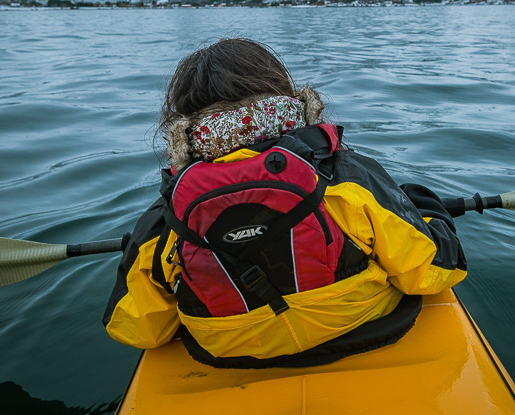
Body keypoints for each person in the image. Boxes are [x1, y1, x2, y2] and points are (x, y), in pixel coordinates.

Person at [103, 38, 466, 368]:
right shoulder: (345, 177)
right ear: (285, 97)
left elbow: (138, 330)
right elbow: (434, 272)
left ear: (183, 124)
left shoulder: (172, 210)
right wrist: (426, 209)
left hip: (233, 355)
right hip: (362, 329)